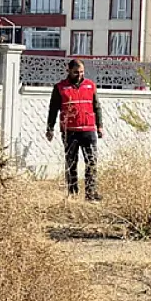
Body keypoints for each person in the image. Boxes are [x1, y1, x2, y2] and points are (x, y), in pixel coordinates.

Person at [46, 59, 104, 201]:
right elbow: (53, 109)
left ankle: (90, 193)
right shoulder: (60, 88)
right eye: (76, 72)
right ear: (69, 71)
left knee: (91, 162)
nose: (79, 75)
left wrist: (100, 126)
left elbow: (97, 107)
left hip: (88, 130)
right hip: (69, 131)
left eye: (82, 72)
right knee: (71, 163)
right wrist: (50, 128)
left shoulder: (90, 86)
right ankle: (72, 192)